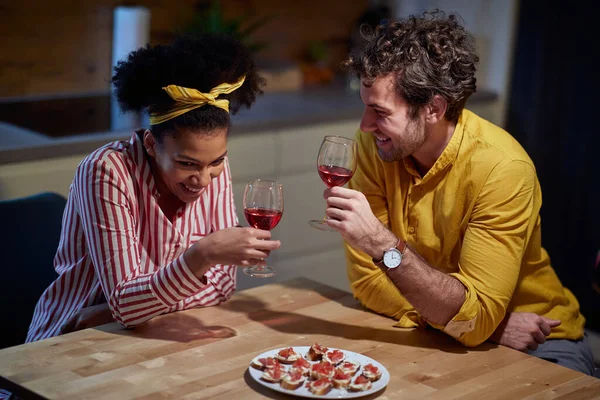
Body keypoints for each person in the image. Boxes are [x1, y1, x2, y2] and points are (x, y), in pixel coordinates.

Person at [323, 10, 595, 375]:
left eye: (380, 111)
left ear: (434, 108)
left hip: (539, 337)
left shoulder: (502, 169)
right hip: (486, 330)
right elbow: (369, 284)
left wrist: (382, 246)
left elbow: (471, 315)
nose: (365, 125)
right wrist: (478, 323)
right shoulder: (373, 147)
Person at [26, 34, 281, 342]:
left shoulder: (212, 167)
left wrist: (111, 311)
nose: (203, 179)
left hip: (129, 328)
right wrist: (203, 255)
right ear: (151, 144)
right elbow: (126, 303)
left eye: (216, 162)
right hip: (72, 339)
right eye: (186, 164)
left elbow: (222, 289)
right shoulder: (105, 171)